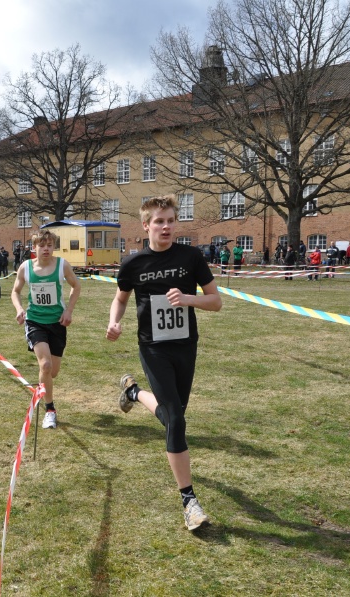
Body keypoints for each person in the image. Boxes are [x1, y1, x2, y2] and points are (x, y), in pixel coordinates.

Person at [106, 195, 222, 531]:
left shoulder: (191, 257)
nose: (166, 226)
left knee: (175, 417)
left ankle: (133, 393)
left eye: (171, 220)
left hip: (185, 347)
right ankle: (189, 502)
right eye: (159, 221)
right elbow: (120, 299)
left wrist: (188, 299)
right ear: (146, 226)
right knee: (176, 419)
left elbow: (216, 301)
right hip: (153, 348)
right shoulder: (133, 264)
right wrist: (114, 322)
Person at [11, 229, 81, 430]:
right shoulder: (25, 267)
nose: (46, 249)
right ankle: (50, 410)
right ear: (34, 248)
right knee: (46, 366)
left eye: (50, 245)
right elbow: (15, 291)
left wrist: (68, 310)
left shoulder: (62, 266)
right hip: (35, 322)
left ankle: (44, 386)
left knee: (53, 372)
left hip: (57, 323)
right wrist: (19, 309)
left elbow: (76, 287)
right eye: (42, 245)